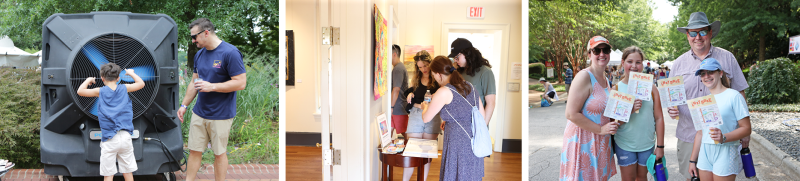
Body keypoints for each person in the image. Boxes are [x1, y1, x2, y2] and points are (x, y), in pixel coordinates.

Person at [668, 12, 749, 181]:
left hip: (723, 136)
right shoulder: (678, 64)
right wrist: (671, 109)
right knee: (692, 177)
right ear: (687, 35)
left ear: (710, 33)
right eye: (693, 32)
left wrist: (744, 133)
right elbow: (672, 99)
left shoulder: (727, 58)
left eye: (703, 31)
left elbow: (740, 92)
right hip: (690, 134)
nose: (698, 37)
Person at [177, 18, 247, 181]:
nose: (193, 41)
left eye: (194, 37)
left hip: (221, 115)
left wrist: (212, 86)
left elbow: (241, 83)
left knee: (219, 153)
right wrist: (184, 105)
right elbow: (195, 82)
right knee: (194, 150)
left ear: (206, 33)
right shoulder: (200, 55)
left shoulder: (230, 53)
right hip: (200, 113)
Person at [560, 36, 619, 180]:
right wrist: (600, 130)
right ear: (589, 54)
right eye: (596, 50)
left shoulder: (606, 79)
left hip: (601, 142)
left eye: (605, 50)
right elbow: (571, 114)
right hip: (583, 142)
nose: (601, 54)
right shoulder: (584, 77)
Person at [420, 55, 486, 180]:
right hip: (474, 140)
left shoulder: (444, 91)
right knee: (469, 175)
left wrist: (425, 107)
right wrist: (450, 120)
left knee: (455, 174)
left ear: (439, 74)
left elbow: (426, 118)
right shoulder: (470, 86)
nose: (435, 79)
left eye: (434, 76)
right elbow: (481, 115)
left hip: (457, 142)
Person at [77, 63, 144, 181]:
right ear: (118, 78)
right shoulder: (125, 88)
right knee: (128, 172)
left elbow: (80, 91)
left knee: (108, 174)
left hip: (109, 138)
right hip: (125, 137)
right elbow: (141, 84)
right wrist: (131, 74)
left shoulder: (100, 91)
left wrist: (88, 80)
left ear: (102, 78)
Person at [687, 58, 751, 181]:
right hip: (705, 153)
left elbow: (746, 129)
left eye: (710, 72)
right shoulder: (703, 101)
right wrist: (692, 160)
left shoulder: (734, 96)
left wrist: (724, 137)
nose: (707, 76)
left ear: (720, 73)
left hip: (726, 151)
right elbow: (700, 133)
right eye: (703, 73)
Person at [612, 46, 666, 181]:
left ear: (642, 64)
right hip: (624, 144)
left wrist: (660, 146)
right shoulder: (617, 89)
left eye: (638, 62)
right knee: (628, 178)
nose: (634, 66)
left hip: (647, 144)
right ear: (623, 62)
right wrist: (629, 110)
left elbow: (659, 118)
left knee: (642, 178)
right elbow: (614, 124)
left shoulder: (652, 88)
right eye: (630, 61)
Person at [403, 50, 441, 181]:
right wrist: (410, 95)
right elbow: (412, 95)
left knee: (427, 153)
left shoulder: (438, 78)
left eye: (425, 65)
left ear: (430, 63)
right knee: (412, 150)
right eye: (420, 67)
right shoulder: (416, 79)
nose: (423, 69)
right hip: (416, 115)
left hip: (433, 116)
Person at [449, 38, 496, 124]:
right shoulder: (459, 71)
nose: (455, 60)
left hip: (476, 123)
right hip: (458, 122)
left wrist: (482, 127)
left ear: (467, 53)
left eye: (457, 57)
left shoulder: (485, 72)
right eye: (454, 58)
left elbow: (491, 103)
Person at [390, 44, 410, 139]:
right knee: (389, 132)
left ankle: (411, 152)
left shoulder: (398, 69)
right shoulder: (399, 67)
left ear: (394, 54)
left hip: (398, 107)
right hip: (399, 106)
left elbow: (396, 89)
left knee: (405, 134)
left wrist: (391, 106)